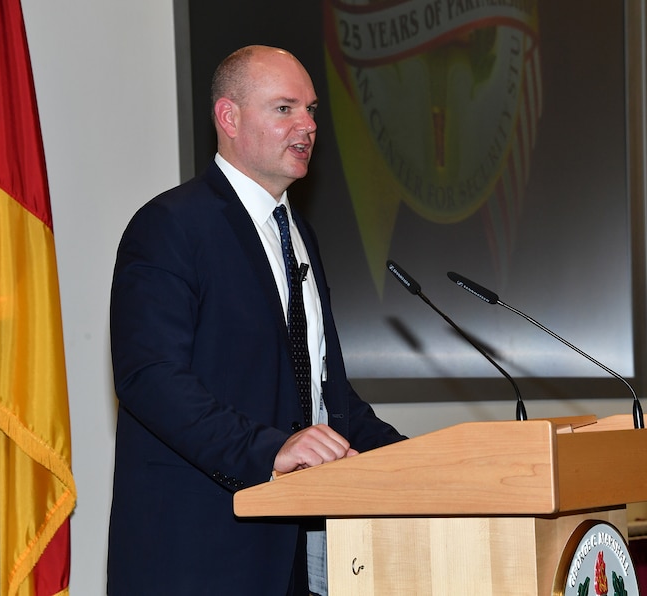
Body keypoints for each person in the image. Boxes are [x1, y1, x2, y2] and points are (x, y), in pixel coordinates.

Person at [107, 45, 405, 595]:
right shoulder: (170, 227)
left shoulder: (298, 234)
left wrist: (416, 460)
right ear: (229, 117)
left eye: (312, 110)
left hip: (291, 557)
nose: (307, 126)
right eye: (285, 108)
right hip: (199, 556)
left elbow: (319, 397)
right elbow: (150, 378)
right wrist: (268, 449)